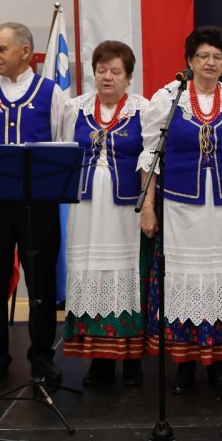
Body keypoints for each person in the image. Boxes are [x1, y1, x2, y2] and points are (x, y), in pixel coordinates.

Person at [137, 25, 222, 394]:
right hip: (181, 209)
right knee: (183, 281)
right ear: (189, 60)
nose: (210, 62)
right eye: (203, 56)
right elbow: (150, 155)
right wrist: (148, 206)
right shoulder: (169, 98)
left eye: (217, 57)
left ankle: (220, 363)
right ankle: (184, 364)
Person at [0, 22, 70, 386]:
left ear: (25, 52)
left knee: (41, 283)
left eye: (1, 49)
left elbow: (60, 144)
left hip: (38, 205)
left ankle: (42, 354)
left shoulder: (51, 92)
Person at [57, 41, 150, 387]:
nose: (107, 77)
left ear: (129, 77)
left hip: (125, 209)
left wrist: (148, 206)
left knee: (128, 275)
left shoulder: (144, 109)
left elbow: (151, 158)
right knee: (90, 271)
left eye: (115, 71)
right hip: (86, 209)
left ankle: (131, 358)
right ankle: (100, 360)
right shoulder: (74, 108)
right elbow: (62, 151)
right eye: (101, 70)